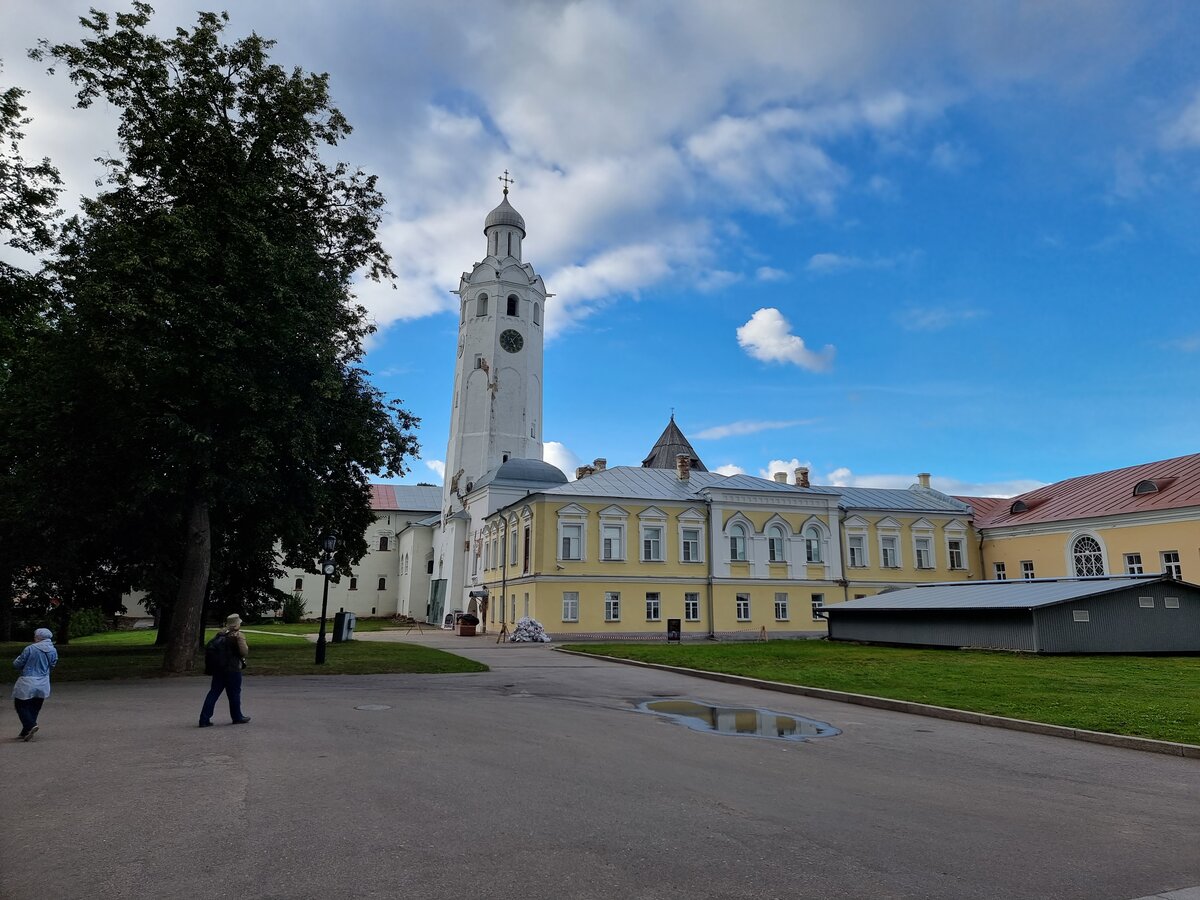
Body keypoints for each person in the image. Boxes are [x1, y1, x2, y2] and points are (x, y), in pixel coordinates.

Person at [198, 614, 251, 727]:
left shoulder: (219, 635)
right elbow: (244, 652)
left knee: (213, 692)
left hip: (218, 669)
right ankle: (237, 717)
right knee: (234, 694)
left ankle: (204, 718)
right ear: (236, 624)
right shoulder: (238, 635)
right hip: (233, 669)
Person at [13, 627, 58, 741]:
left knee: (20, 704)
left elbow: (18, 664)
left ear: (38, 637)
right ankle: (26, 730)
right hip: (43, 681)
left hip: (28, 680)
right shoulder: (53, 650)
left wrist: (16, 661)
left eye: (35, 636)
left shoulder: (30, 648)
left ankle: (31, 725)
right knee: (35, 706)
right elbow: (52, 665)